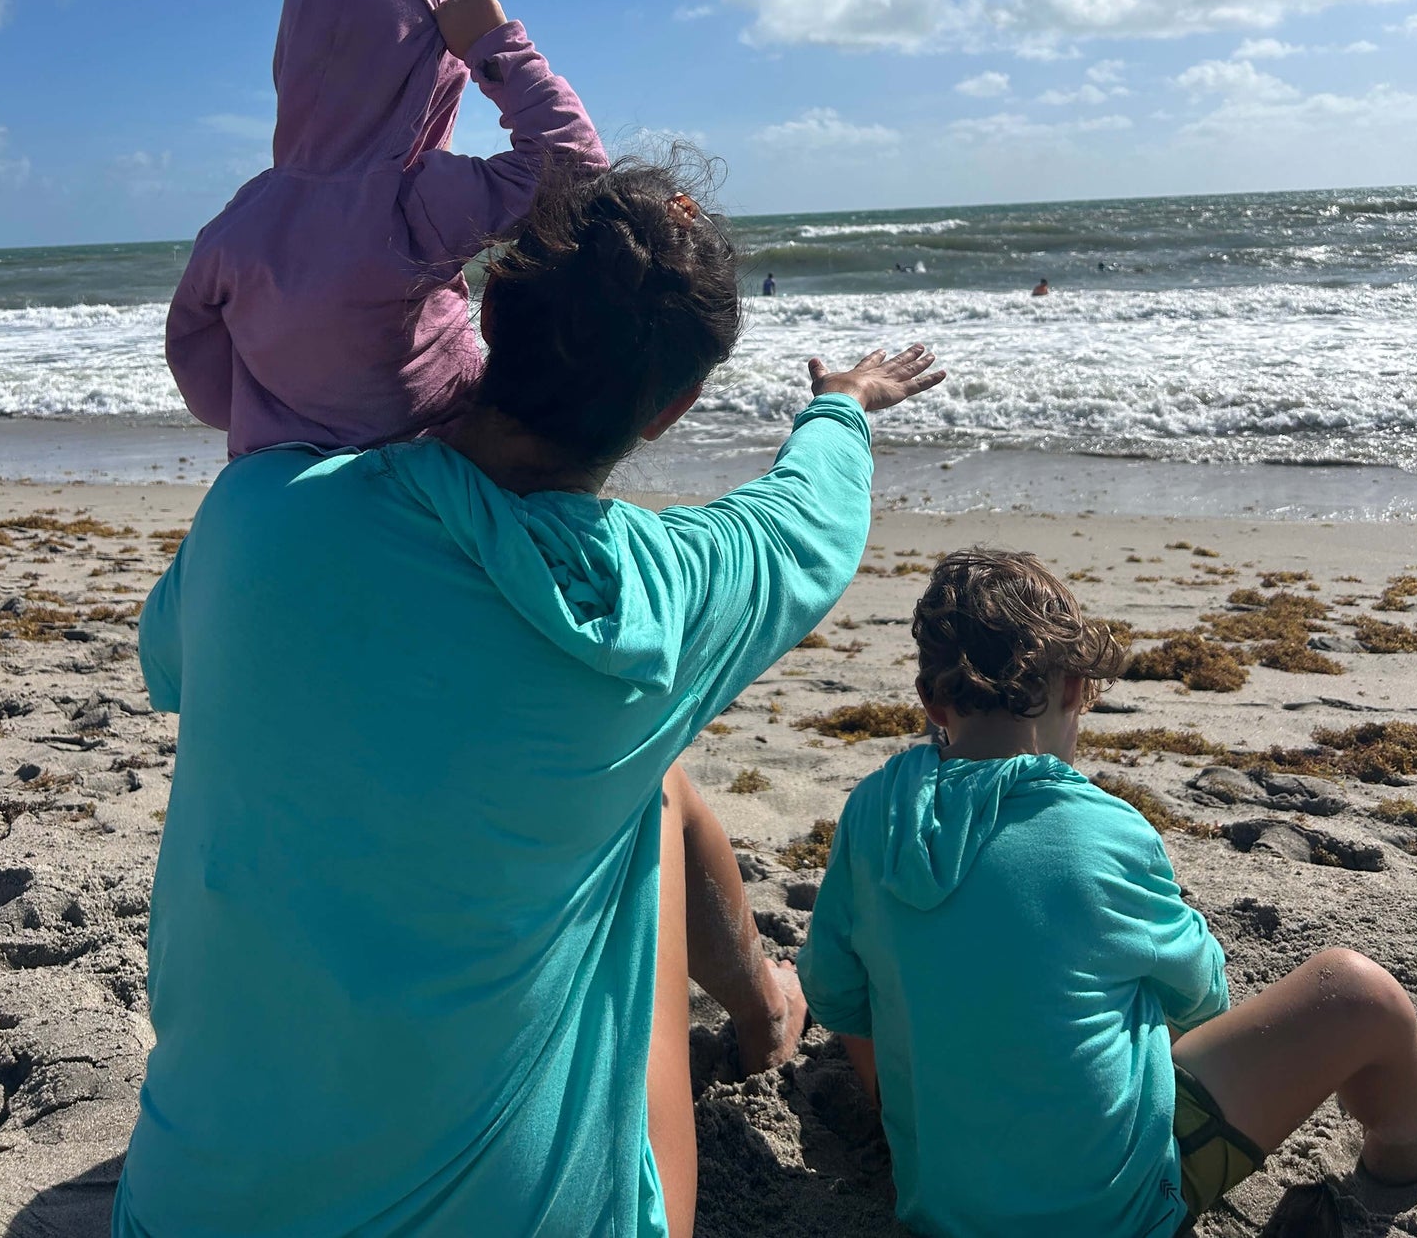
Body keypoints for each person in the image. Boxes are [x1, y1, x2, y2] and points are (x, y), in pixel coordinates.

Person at [114, 158, 945, 1238]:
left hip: (190, 1215)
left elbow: (166, 667)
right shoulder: (660, 602)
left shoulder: (259, 515)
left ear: (489, 307)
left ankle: (764, 1002)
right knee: (641, 793)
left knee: (624, 779)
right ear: (672, 408)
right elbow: (807, 525)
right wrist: (839, 408)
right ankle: (765, 1008)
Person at [799, 548, 1417, 1237]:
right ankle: (1402, 1160)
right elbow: (1203, 998)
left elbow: (835, 991)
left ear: (930, 700)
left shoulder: (873, 812)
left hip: (937, 1206)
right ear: (1075, 687)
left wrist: (900, 1116)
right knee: (1357, 991)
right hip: (1115, 1210)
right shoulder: (1102, 829)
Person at [165, 0, 606, 456]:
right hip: (432, 477)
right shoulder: (418, 200)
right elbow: (575, 163)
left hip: (274, 481)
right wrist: (494, 46)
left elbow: (198, 363)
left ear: (290, 59)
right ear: (434, 73)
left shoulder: (237, 224)